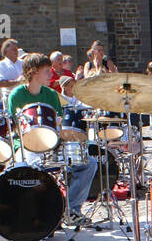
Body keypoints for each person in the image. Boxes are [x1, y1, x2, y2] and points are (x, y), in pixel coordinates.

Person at [9, 53, 95, 225]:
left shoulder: (51, 95)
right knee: (23, 171)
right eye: (47, 71)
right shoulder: (16, 95)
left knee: (90, 164)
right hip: (27, 147)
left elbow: (58, 125)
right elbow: (15, 129)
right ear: (33, 72)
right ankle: (32, 214)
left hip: (52, 146)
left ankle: (70, 209)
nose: (51, 74)